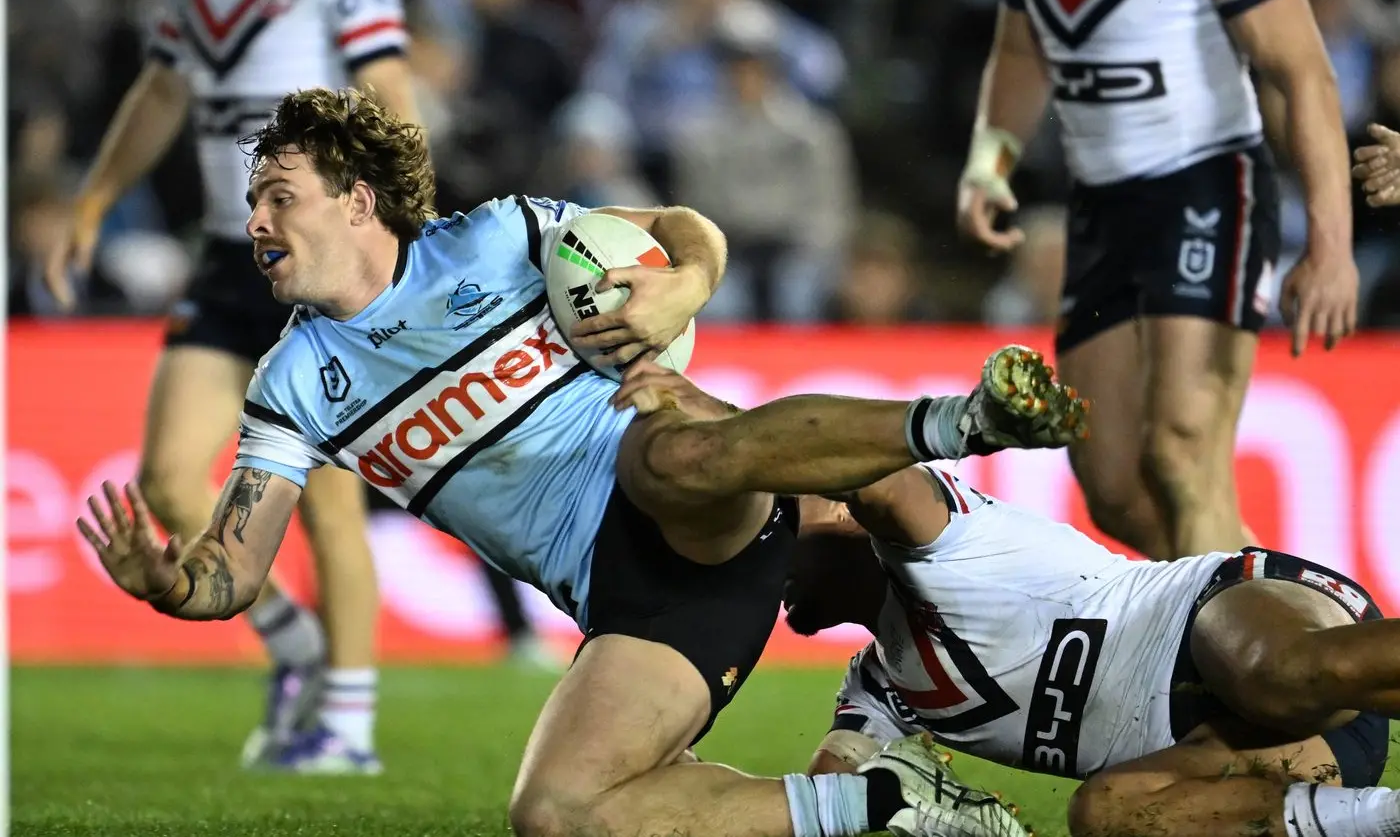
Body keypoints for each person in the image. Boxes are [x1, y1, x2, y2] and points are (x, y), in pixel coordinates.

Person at [75, 85, 1091, 837]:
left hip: (687, 478)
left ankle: (965, 422)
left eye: (278, 196)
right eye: (253, 202)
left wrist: (683, 283)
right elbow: (232, 573)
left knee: (668, 460)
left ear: (356, 201)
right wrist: (172, 580)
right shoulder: (291, 382)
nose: (254, 222)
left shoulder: (497, 238)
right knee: (557, 814)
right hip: (629, 594)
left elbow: (685, 233)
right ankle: (885, 806)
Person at [43, 0, 420, 773]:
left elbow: (389, 90)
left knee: (325, 503)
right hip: (227, 250)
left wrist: (403, 226)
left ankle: (348, 727)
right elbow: (165, 88)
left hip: (318, 260)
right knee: (169, 481)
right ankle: (296, 653)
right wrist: (97, 196)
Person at [957, 0, 1360, 560]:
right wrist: (988, 162)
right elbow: (1021, 47)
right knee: (1112, 482)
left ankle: (1226, 653)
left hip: (1206, 186)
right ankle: (1283, 618)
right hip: (1101, 205)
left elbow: (1303, 70)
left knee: (1182, 445)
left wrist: (1331, 245)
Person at [785, 473, 1396, 837]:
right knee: (1107, 813)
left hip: (1218, 616)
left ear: (841, 508)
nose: (760, 562)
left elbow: (879, 477)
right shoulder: (877, 687)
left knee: (1280, 673)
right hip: (1294, 748)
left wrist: (741, 462)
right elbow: (821, 797)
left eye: (778, 523)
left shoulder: (938, 539)